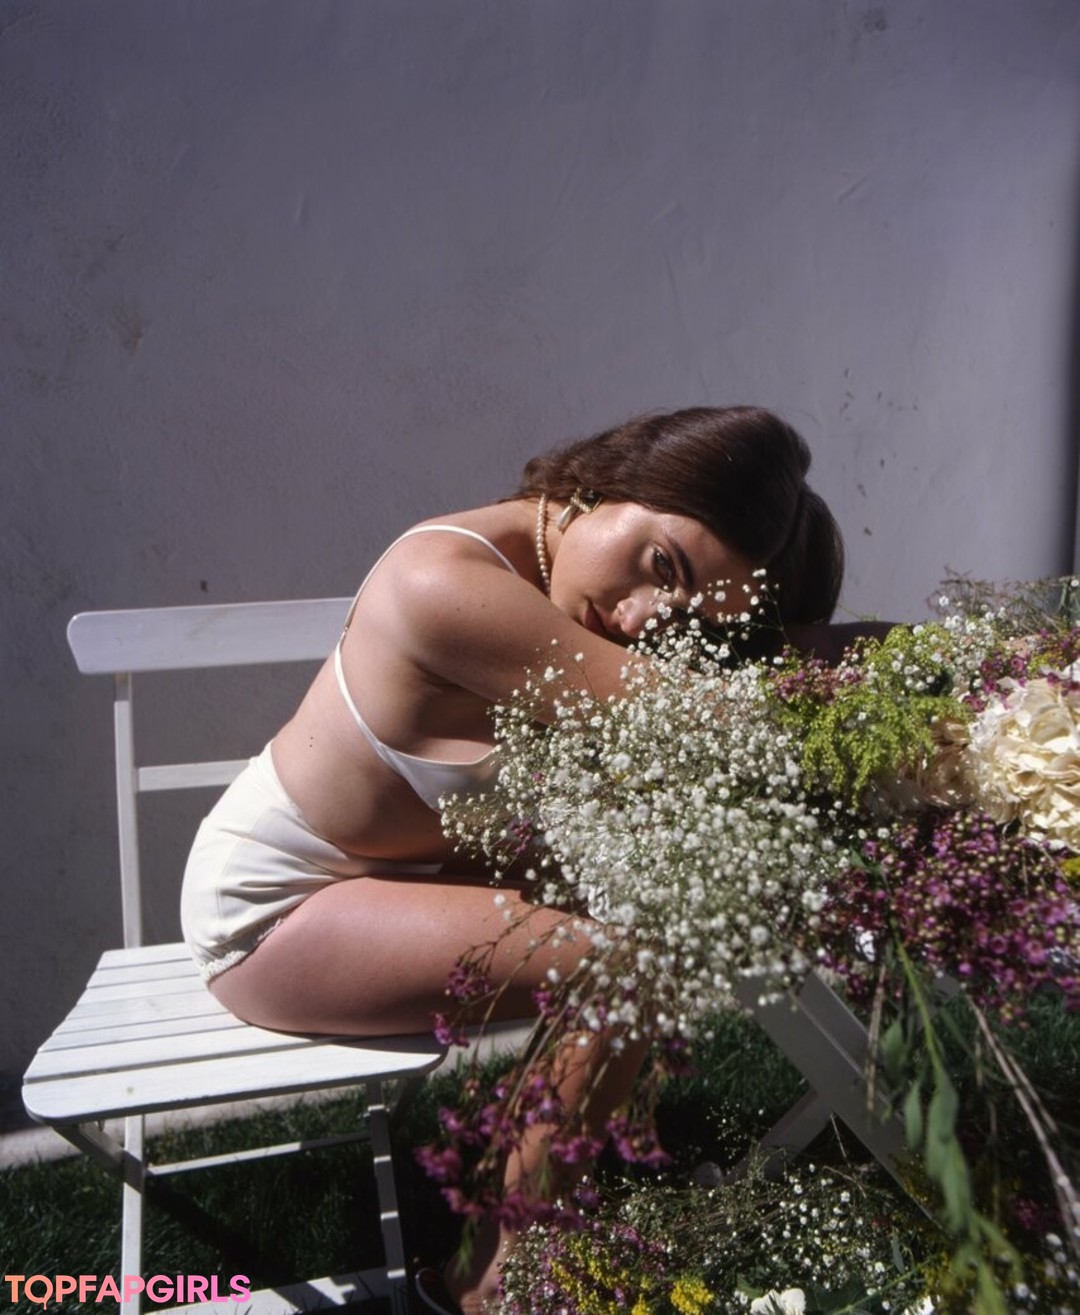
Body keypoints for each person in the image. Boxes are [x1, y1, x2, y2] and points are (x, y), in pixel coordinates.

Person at [180, 405, 850, 1313]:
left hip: (402, 881)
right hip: (275, 908)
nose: (644, 617)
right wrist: (925, 689)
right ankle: (498, 1278)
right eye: (662, 565)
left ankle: (541, 1228)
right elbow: (698, 714)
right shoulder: (440, 581)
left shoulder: (575, 592)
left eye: (688, 615)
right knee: (625, 960)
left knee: (661, 909)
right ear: (614, 480)